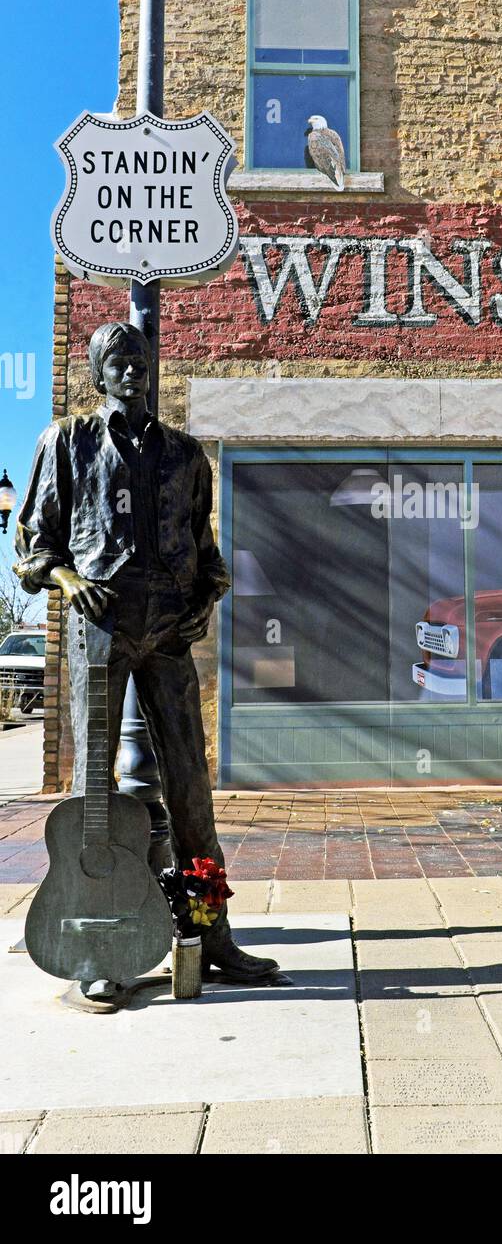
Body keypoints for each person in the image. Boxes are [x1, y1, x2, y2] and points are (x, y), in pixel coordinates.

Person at [14, 320, 282, 1004]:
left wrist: (208, 598)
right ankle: (95, 944)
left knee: (191, 786)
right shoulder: (67, 442)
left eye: (141, 360)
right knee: (93, 790)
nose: (133, 371)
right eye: (118, 362)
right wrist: (73, 584)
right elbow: (33, 551)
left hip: (168, 632)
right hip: (100, 630)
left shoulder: (188, 457)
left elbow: (208, 555)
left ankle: (211, 932)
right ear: (99, 375)